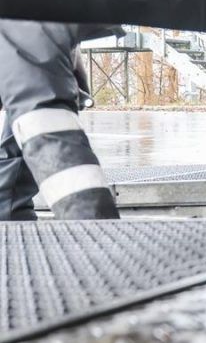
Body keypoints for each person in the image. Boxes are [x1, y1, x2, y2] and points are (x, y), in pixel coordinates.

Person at [0, 19, 121, 220]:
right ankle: (11, 215)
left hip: (29, 18)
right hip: (36, 20)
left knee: (39, 107)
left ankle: (91, 224)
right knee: (30, 110)